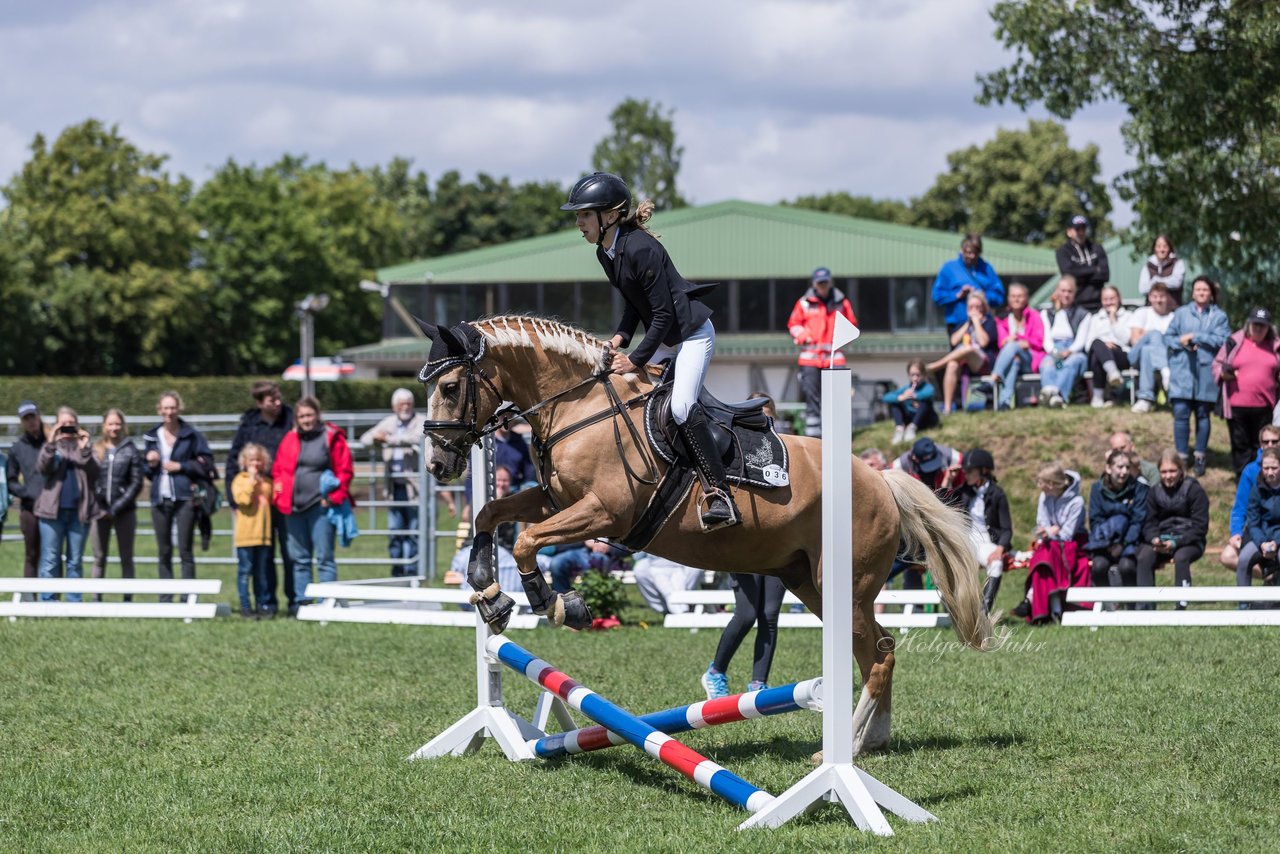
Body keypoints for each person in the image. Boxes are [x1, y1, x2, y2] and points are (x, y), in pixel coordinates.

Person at [564, 171, 741, 529]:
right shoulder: (607, 251)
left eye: (584, 214)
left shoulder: (641, 248)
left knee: (681, 406)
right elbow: (635, 307)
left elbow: (662, 315)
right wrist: (616, 340)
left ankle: (719, 492)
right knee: (619, 394)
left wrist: (634, 359)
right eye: (578, 215)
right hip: (662, 337)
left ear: (610, 215)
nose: (579, 222)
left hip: (690, 336)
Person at [272, 397, 354, 609]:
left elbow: (344, 471)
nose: (305, 420)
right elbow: (279, 469)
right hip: (293, 508)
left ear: (317, 415)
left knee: (325, 557)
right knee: (299, 559)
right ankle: (303, 603)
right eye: (301, 416)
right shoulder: (289, 439)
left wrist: (333, 497)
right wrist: (279, 492)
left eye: (309, 415)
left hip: (320, 506)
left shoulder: (331, 437)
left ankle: (327, 603)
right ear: (296, 418)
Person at [225, 381, 295, 614]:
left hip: (283, 498)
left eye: (278, 397)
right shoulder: (249, 425)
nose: (277, 402)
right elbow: (233, 463)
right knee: (263, 558)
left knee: (289, 553)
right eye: (271, 399)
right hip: (256, 503)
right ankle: (267, 603)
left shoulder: (290, 420)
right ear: (259, 403)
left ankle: (294, 601)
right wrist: (234, 501)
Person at [143, 392, 216, 598]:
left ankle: (188, 597)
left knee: (185, 549)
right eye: (165, 408)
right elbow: (146, 472)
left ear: (179, 409)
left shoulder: (191, 435)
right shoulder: (151, 436)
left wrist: (181, 466)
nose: (169, 412)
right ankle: (165, 598)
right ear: (159, 410)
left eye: (172, 408)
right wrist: (150, 463)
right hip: (160, 497)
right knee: (164, 551)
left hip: (185, 498)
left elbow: (206, 463)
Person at [1165, 275, 1230, 476]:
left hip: (1205, 374)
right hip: (1183, 371)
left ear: (1211, 294)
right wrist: (1181, 342)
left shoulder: (1219, 316)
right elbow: (1168, 337)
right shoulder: (1181, 313)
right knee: (1181, 414)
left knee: (1203, 415)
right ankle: (1182, 456)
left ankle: (1200, 455)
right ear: (1192, 293)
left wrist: (1196, 336)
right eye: (1198, 289)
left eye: (1205, 290)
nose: (1201, 293)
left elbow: (1224, 340)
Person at [33, 407, 100, 602]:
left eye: (72, 424)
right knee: (50, 559)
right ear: (56, 425)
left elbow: (95, 472)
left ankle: (74, 602)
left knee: (75, 560)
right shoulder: (51, 447)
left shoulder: (85, 448)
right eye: (63, 424)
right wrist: (52, 441)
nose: (68, 428)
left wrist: (85, 447)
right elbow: (42, 467)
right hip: (51, 513)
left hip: (79, 513)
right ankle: (48, 602)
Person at [360, 388, 427, 577]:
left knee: (415, 531)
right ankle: (397, 570)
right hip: (394, 486)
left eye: (408, 403)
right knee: (395, 531)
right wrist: (376, 438)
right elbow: (365, 439)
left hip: (415, 487)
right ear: (394, 406)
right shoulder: (389, 422)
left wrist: (389, 439)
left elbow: (418, 437)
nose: (405, 407)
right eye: (401, 404)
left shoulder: (420, 421)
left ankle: (413, 570)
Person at [787, 265, 858, 438]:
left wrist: (843, 338)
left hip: (835, 359)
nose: (823, 286)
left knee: (837, 398)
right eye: (820, 283)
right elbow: (793, 324)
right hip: (810, 360)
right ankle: (814, 438)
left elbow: (852, 325)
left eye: (825, 282)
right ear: (814, 284)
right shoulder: (804, 303)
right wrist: (803, 335)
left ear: (830, 282)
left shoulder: (842, 302)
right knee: (812, 401)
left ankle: (838, 435)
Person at [1135, 450, 1209, 610]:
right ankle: (1145, 607)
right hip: (1162, 539)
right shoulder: (1154, 492)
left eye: (1172, 471)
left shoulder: (1195, 490)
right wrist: (1154, 539)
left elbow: (1200, 527)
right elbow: (1149, 523)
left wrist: (1176, 542)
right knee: (1143, 556)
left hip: (1190, 540)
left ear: (1181, 470)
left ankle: (1180, 606)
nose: (1168, 476)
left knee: (1181, 557)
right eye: (1163, 472)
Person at [1015, 463, 1088, 623]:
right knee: (1045, 552)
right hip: (1051, 543)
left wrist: (1051, 531)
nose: (1039, 486)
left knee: (1046, 553)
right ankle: (1044, 606)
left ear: (1052, 484)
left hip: (1073, 543)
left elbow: (1067, 534)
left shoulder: (1076, 502)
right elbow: (1042, 522)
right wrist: (1050, 531)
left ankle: (1032, 599)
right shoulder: (1044, 497)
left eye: (1041, 482)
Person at [701, 570, 788, 699]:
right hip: (748, 554)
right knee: (746, 616)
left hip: (780, 555)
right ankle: (715, 673)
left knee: (769, 617)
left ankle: (758, 685)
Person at [1214, 307, 1280, 476]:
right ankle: (1243, 478)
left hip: (1264, 405)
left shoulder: (1275, 346)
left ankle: (1264, 476)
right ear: (1249, 325)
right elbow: (1217, 363)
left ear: (1268, 328)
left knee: (1262, 444)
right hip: (1237, 405)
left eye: (1262, 326)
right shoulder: (1234, 342)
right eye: (1255, 325)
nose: (1258, 329)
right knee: (1240, 444)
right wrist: (1223, 374)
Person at [89, 409, 144, 599]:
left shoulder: (131, 450)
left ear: (123, 425)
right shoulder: (95, 449)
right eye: (110, 424)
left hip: (125, 511)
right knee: (99, 557)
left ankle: (127, 599)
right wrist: (101, 507)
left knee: (126, 557)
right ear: (104, 425)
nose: (114, 428)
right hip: (99, 512)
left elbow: (136, 482)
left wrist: (116, 508)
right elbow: (90, 479)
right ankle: (96, 599)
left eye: (117, 424)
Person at [1085, 449, 1148, 599]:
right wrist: (1108, 543)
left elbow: (1138, 521)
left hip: (1129, 542)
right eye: (1120, 467)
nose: (1124, 472)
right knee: (1099, 566)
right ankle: (1107, 606)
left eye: (1127, 467)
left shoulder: (1139, 489)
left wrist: (1123, 544)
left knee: (1127, 567)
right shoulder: (1097, 489)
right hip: (1104, 542)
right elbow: (1095, 520)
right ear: (1108, 468)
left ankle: (1131, 607)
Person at [957, 448, 1012, 614]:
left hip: (986, 542)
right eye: (964, 471)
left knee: (996, 564)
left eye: (969, 471)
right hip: (965, 540)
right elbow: (940, 502)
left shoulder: (997, 494)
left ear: (984, 471)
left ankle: (983, 613)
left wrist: (1000, 549)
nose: (965, 474)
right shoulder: (962, 492)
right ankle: (958, 612)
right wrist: (948, 480)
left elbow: (1007, 529)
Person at [925, 290, 998, 414]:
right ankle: (947, 408)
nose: (974, 310)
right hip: (965, 365)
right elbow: (954, 341)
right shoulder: (963, 324)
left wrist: (976, 322)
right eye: (970, 307)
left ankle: (935, 366)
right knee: (952, 364)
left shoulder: (990, 322)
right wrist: (968, 324)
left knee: (968, 348)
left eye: (977, 307)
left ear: (983, 308)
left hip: (983, 363)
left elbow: (984, 342)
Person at [1221, 425, 1280, 572]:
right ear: (1260, 444)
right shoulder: (1250, 471)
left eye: (1275, 441)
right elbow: (1240, 507)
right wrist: (1236, 533)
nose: (1270, 445)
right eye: (1266, 442)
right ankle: (1269, 575)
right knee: (1228, 556)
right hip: (1258, 529)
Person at [231, 443, 276, 619]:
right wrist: (251, 481)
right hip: (245, 536)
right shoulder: (239, 480)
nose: (255, 464)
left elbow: (272, 499)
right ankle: (245, 606)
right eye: (251, 460)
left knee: (262, 573)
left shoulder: (267, 482)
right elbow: (242, 500)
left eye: (258, 460)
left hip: (263, 536)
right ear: (244, 462)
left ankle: (262, 605)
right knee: (245, 572)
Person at [930, 233, 1005, 336]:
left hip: (983, 324)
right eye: (969, 253)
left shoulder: (987, 269)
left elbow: (999, 297)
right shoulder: (949, 268)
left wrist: (983, 296)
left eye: (976, 253)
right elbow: (937, 296)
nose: (972, 256)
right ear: (962, 250)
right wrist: (957, 295)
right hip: (958, 323)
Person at [6, 400, 48, 578]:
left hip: (53, 508)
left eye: (33, 416)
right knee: (31, 555)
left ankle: (53, 598)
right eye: (26, 418)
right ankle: (30, 600)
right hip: (29, 509)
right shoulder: (17, 448)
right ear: (22, 421)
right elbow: (11, 480)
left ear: (39, 416)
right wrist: (27, 493)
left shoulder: (51, 443)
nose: (30, 421)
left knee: (52, 555)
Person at [1038, 275, 1091, 408]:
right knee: (1047, 365)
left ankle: (1057, 395)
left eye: (1069, 291)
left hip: (1074, 351)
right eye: (1063, 291)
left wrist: (1069, 351)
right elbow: (1047, 340)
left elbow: (1081, 341)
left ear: (1075, 293)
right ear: (1057, 291)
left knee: (1070, 364)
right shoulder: (1047, 313)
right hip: (1055, 351)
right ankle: (1052, 396)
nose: (1066, 294)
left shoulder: (1083, 314)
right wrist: (1056, 352)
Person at [991, 282, 1045, 410]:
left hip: (1031, 359)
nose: (1016, 299)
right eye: (1013, 296)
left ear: (1026, 298)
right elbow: (1001, 343)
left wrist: (1018, 341)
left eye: (1020, 296)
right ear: (1008, 298)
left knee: (1013, 346)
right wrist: (1014, 342)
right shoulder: (1002, 319)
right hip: (1012, 359)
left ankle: (994, 376)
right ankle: (1005, 402)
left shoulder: (1034, 316)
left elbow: (1038, 341)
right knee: (1015, 360)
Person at [1237, 448, 1280, 594]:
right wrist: (1262, 543)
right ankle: (1244, 607)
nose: (1270, 472)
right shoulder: (1256, 489)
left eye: (1274, 468)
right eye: (1266, 468)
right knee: (1243, 559)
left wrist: (1276, 542)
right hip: (1261, 537)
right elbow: (1253, 523)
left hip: (1278, 538)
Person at [1129, 282, 1176, 413]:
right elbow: (1134, 340)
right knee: (1154, 335)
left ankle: (1145, 399)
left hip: (1158, 356)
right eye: (1155, 296)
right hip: (1134, 356)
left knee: (1147, 350)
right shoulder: (1142, 313)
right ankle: (1165, 371)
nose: (1158, 300)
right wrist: (1153, 336)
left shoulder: (1173, 317)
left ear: (1167, 298)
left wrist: (1146, 334)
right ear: (1149, 297)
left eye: (1161, 296)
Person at [1085, 285, 1134, 407]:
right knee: (1097, 344)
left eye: (1112, 298)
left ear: (1119, 299)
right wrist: (1103, 344)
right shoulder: (1095, 319)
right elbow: (1088, 345)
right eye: (1105, 299)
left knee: (1099, 354)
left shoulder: (1128, 316)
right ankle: (1112, 372)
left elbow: (1127, 340)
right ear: (1101, 301)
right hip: (1098, 351)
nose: (1109, 302)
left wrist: (1113, 320)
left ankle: (1098, 396)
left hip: (1120, 353)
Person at [1055, 214, 1110, 312]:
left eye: (1083, 229)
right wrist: (1094, 269)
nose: (1081, 232)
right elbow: (1069, 275)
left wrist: (1079, 272)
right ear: (1069, 232)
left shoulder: (1097, 248)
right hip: (1076, 305)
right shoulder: (1063, 251)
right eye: (1077, 229)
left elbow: (1105, 275)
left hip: (1098, 305)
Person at [882, 360, 938, 445]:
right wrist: (900, 398)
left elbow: (930, 392)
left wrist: (915, 396)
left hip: (925, 419)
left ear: (923, 375)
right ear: (908, 375)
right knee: (895, 403)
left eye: (918, 375)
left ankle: (912, 428)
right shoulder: (906, 389)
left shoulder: (927, 387)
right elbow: (886, 397)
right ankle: (899, 429)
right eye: (912, 375)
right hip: (910, 417)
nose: (915, 378)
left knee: (925, 402)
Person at [632, 552, 704, 615]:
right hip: (657, 567)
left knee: (679, 591)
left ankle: (683, 612)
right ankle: (679, 613)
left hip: (678, 566)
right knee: (668, 593)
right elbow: (637, 556)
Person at [1138, 234, 1186, 305]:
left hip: (1172, 309)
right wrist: (1165, 282)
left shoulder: (1177, 263)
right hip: (1152, 309)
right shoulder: (1147, 266)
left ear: (1169, 248)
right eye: (1158, 246)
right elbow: (1142, 288)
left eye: (1165, 246)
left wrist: (1156, 281)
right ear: (1154, 248)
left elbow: (1177, 282)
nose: (1162, 249)